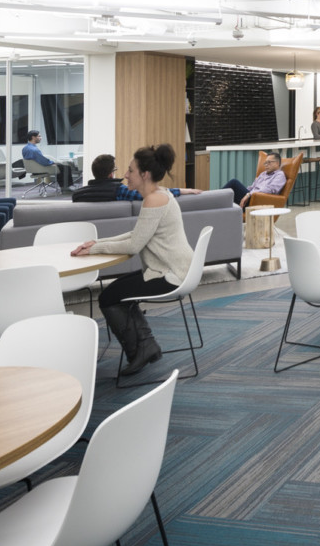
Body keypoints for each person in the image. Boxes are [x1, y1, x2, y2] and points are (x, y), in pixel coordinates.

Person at [70, 144, 193, 375]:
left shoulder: (154, 200)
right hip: (173, 269)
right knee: (119, 293)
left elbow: (134, 245)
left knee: (108, 297)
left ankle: (138, 351)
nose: (125, 175)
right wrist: (97, 244)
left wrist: (96, 249)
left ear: (144, 175)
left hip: (171, 275)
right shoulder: (160, 194)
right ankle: (147, 346)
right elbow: (137, 234)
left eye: (130, 170)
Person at [74, 153, 200, 203]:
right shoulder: (119, 191)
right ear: (111, 174)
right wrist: (183, 190)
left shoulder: (78, 195)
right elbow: (150, 194)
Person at [218, 152, 286, 208]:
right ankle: (216, 205)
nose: (266, 165)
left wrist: (248, 195)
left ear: (277, 163)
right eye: (265, 163)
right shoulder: (263, 174)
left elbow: (270, 189)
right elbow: (252, 187)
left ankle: (214, 199)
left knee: (234, 183)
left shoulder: (279, 175)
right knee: (230, 194)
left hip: (258, 201)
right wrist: (246, 193)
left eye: (269, 162)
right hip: (249, 198)